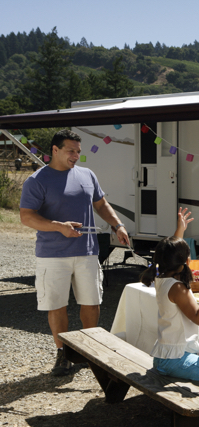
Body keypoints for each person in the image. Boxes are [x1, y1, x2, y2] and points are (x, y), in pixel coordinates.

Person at [20, 129, 130, 376]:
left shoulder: (87, 175)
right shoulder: (37, 180)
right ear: (55, 151)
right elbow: (26, 217)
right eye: (71, 151)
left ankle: (88, 349)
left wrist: (118, 224)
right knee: (56, 305)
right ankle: (64, 354)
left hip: (87, 251)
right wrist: (58, 227)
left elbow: (101, 204)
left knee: (91, 302)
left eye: (78, 151)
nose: (76, 156)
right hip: (52, 254)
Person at [140, 208, 199, 390]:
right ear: (186, 260)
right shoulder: (177, 288)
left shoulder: (160, 277)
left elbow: (170, 253)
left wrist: (180, 231)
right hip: (175, 359)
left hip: (165, 355)